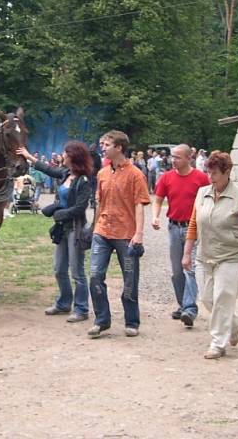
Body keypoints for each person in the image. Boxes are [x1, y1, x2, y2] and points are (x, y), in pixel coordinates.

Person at [183, 151, 238, 359]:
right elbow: (194, 223)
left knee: (223, 298)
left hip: (231, 256)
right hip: (205, 255)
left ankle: (218, 343)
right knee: (207, 299)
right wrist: (187, 252)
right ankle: (235, 324)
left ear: (227, 172)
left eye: (214, 173)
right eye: (208, 173)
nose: (210, 177)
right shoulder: (202, 193)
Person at [19, 142, 93, 323]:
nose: (62, 156)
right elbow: (47, 169)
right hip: (62, 229)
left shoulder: (83, 180)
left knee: (77, 272)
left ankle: (81, 309)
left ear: (73, 157)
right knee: (59, 269)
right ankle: (63, 303)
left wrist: (59, 213)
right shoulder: (65, 173)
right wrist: (29, 157)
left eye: (65, 153)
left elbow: (80, 207)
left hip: (75, 229)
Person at [88, 130, 150, 338]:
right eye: (102, 144)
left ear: (119, 148)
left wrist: (139, 234)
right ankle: (101, 320)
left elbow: (140, 205)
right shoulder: (102, 173)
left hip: (126, 235)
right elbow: (99, 202)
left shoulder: (136, 175)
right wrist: (94, 227)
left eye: (106, 144)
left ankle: (132, 321)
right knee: (95, 276)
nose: (102, 148)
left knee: (130, 279)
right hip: (102, 232)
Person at [151, 143, 210, 326]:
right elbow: (158, 200)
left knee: (190, 268)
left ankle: (190, 309)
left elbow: (209, 201)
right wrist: (155, 217)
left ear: (188, 158)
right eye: (172, 157)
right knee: (177, 271)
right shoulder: (166, 178)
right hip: (174, 228)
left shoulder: (201, 178)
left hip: (194, 229)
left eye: (177, 157)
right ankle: (183, 304)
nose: (173, 160)